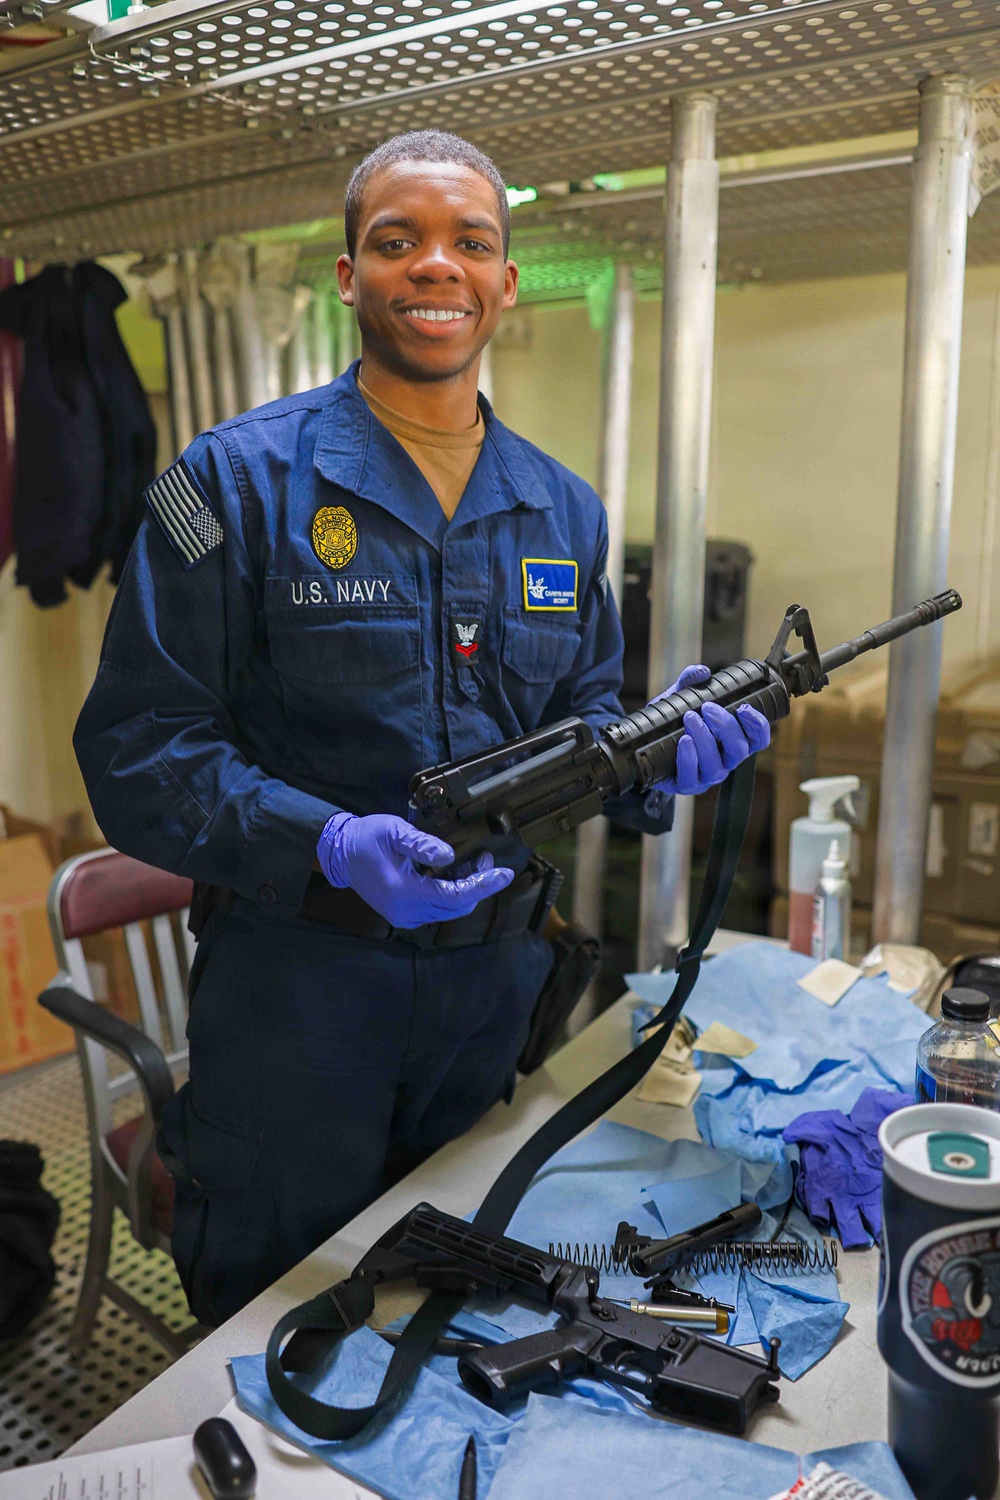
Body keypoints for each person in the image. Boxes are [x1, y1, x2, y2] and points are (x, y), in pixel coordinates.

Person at [74, 130, 770, 1327]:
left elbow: (582, 723)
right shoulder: (235, 481)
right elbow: (140, 751)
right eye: (397, 241)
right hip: (300, 994)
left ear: (504, 281)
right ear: (349, 275)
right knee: (273, 1312)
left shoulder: (561, 507)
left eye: (470, 244)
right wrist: (329, 844)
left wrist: (662, 754)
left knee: (445, 1300)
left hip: (492, 992)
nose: (435, 265)